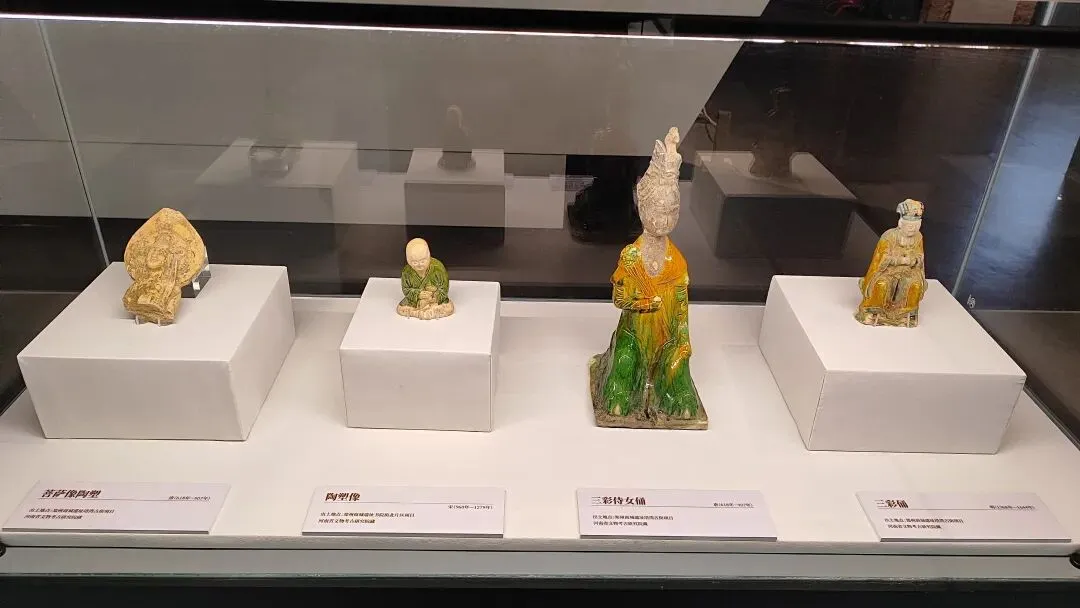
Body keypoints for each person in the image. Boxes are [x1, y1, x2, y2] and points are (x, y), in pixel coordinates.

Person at [589, 127, 706, 429]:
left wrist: (683, 342)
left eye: (671, 211)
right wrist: (640, 303)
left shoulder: (677, 264)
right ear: (642, 205)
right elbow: (619, 299)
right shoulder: (631, 256)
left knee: (677, 372)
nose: (663, 219)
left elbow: (681, 312)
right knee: (624, 366)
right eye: (657, 210)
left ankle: (672, 396)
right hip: (634, 335)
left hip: (667, 338)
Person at [855, 199, 928, 327]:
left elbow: (920, 256)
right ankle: (873, 312)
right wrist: (900, 260)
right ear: (901, 223)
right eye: (909, 226)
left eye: (916, 226)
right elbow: (881, 258)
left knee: (915, 285)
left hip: (909, 270)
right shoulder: (889, 236)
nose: (912, 229)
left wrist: (915, 260)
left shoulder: (918, 237)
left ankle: (905, 315)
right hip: (887, 271)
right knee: (882, 284)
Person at [397, 238, 454, 320]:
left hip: (434, 299)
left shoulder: (438, 268)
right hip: (415, 301)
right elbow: (406, 289)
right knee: (404, 306)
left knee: (444, 305)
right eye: (415, 262)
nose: (419, 265)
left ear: (428, 256)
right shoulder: (407, 272)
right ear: (408, 260)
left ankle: (431, 309)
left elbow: (444, 288)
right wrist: (418, 294)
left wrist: (434, 295)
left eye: (423, 261)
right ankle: (418, 310)